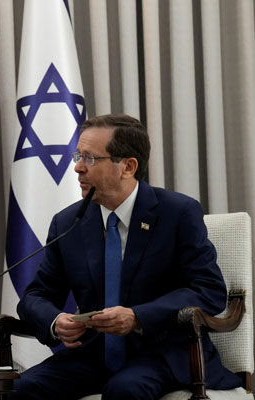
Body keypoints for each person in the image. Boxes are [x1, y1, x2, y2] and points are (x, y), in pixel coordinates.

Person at [14, 114, 241, 399]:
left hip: (163, 353)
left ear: (128, 166)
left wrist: (137, 317)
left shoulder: (177, 213)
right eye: (78, 156)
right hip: (94, 354)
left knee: (124, 390)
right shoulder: (68, 222)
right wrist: (55, 320)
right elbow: (36, 295)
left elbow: (209, 290)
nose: (77, 168)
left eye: (89, 158)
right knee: (20, 389)